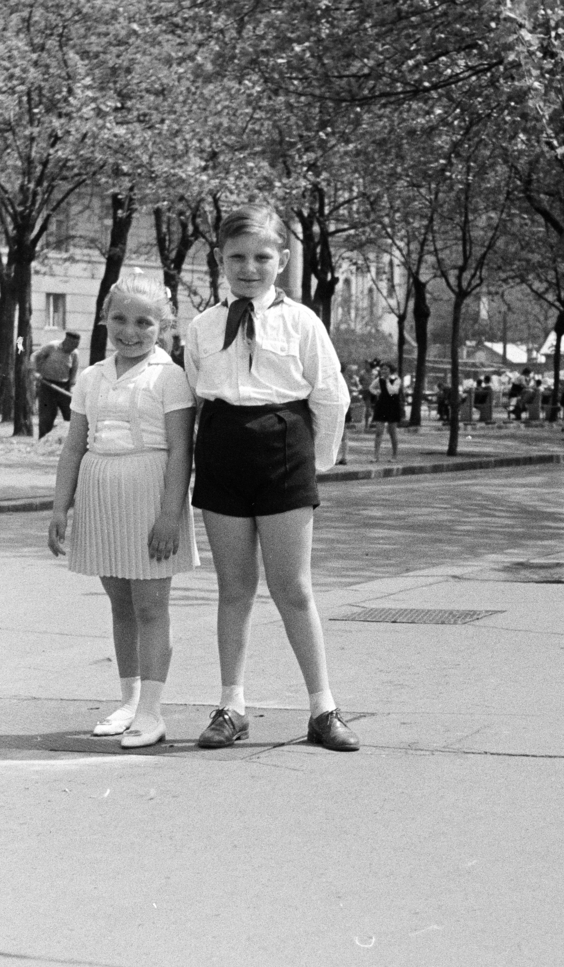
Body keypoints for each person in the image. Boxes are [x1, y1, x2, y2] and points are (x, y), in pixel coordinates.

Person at [182, 205, 357, 752]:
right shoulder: (203, 325)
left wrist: (314, 465)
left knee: (293, 589)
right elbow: (192, 392)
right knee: (233, 589)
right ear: (219, 260)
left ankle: (323, 709)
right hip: (223, 448)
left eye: (261, 257)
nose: (249, 268)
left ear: (281, 260)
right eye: (237, 257)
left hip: (284, 448)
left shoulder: (301, 321)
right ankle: (232, 705)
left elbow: (331, 396)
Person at [46, 273, 197, 749]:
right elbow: (73, 446)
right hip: (100, 495)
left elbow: (180, 450)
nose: (129, 332)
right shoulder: (91, 376)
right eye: (119, 319)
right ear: (104, 319)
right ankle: (129, 701)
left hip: (150, 495)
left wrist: (169, 515)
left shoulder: (169, 376)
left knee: (151, 606)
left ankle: (152, 712)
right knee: (120, 603)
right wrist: (60, 507)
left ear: (164, 326)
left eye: (144, 322)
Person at [34, 329, 80, 437]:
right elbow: (35, 356)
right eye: (72, 346)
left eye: (76, 346)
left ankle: (72, 443)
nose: (73, 349)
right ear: (66, 341)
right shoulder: (51, 347)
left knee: (71, 416)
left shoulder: (74, 354)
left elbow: (74, 372)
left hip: (64, 387)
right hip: (47, 386)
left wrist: (72, 386)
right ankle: (43, 443)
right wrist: (35, 371)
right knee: (46, 417)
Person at [369, 361, 403, 462]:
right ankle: (376, 455)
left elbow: (393, 391)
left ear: (390, 370)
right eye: (382, 369)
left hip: (392, 405)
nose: (383, 371)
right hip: (382, 405)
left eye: (386, 369)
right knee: (379, 431)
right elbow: (371, 387)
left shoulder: (396, 379)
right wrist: (376, 392)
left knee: (392, 431)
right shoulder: (379, 380)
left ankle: (394, 455)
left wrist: (387, 381)